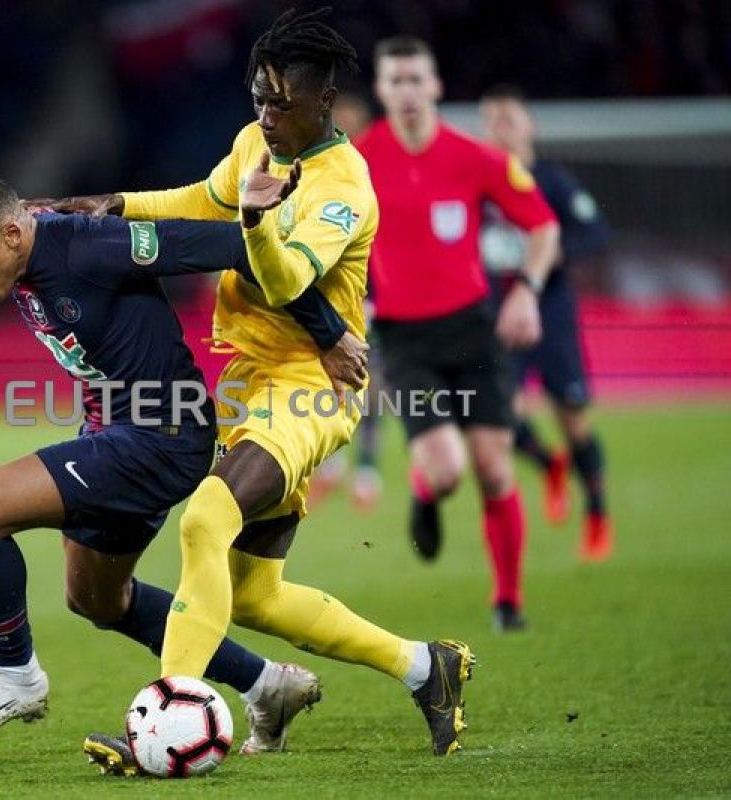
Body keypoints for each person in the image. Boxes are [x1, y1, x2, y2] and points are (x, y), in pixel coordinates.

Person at [44, 9, 474, 765]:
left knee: (204, 521)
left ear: (327, 101)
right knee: (254, 597)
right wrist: (119, 204)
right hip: (252, 380)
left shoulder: (345, 188)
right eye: (257, 99)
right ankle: (423, 666)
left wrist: (256, 221)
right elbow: (199, 197)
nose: (266, 116)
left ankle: (163, 716)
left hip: (313, 384)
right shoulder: (256, 145)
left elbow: (286, 279)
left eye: (282, 102)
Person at [0, 172, 359, 749]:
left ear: (10, 234)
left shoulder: (89, 247)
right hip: (117, 433)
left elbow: (237, 248)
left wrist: (329, 334)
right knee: (97, 599)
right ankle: (266, 685)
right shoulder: (23, 252)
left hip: (159, 436)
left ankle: (15, 676)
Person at [356, 37, 560, 632]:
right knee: (447, 472)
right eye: (396, 81)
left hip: (473, 330)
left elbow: (542, 225)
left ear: (437, 86)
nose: (408, 91)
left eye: (417, 79)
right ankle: (427, 493)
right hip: (403, 339)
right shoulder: (359, 162)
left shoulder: (477, 158)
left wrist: (526, 288)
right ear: (382, 90)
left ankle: (507, 602)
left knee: (495, 471)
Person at [479, 84, 613, 561]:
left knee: (572, 415)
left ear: (529, 125)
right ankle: (547, 463)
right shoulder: (481, 183)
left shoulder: (552, 180)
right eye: (492, 121)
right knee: (500, 417)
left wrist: (553, 259)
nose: (501, 129)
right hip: (498, 316)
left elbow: (594, 231)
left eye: (508, 119)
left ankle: (597, 510)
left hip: (551, 313)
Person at [307, 91, 386, 512]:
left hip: (370, 293)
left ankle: (368, 472)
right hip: (328, 293)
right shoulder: (320, 169)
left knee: (367, 381)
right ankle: (333, 466)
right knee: (328, 380)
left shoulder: (374, 174)